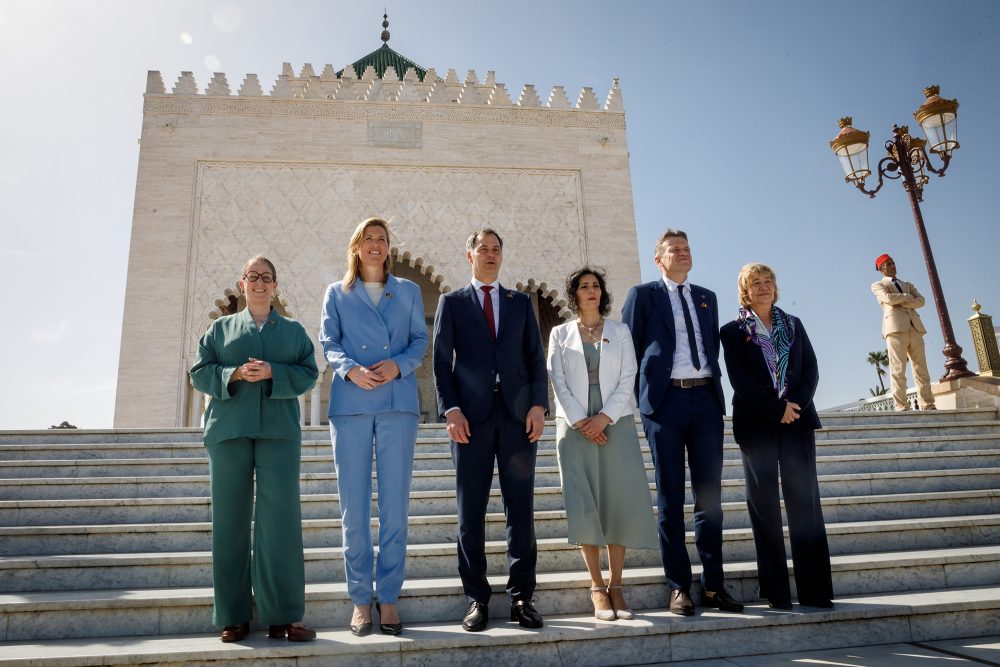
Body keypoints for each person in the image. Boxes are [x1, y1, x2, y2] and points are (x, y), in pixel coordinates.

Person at [189, 255, 319, 643]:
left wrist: (274, 372)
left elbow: (309, 373)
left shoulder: (293, 332)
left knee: (279, 522)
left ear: (275, 286)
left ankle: (284, 616)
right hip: (228, 432)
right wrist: (232, 374)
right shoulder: (220, 328)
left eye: (267, 277)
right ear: (241, 284)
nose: (260, 283)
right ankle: (233, 615)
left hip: (278, 433)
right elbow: (199, 372)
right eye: (253, 277)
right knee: (229, 522)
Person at [621, 229, 743, 616]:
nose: (683, 254)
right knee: (671, 498)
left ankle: (713, 585)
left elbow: (711, 346)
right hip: (664, 403)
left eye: (687, 248)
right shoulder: (643, 296)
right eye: (675, 250)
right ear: (659, 259)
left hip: (706, 399)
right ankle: (678, 587)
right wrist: (638, 402)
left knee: (710, 500)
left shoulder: (707, 297)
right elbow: (630, 349)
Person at [432, 228, 548, 632]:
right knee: (471, 513)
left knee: (521, 511)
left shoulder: (520, 303)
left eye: (496, 249)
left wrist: (538, 404)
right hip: (472, 422)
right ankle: (476, 599)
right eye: (483, 249)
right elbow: (440, 363)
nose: (490, 255)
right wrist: (452, 410)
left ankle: (522, 597)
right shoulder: (452, 303)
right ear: (470, 256)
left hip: (517, 418)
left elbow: (535, 358)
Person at [319, 218, 428, 636]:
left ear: (389, 248)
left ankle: (389, 598)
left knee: (395, 507)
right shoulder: (337, 292)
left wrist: (398, 365)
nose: (376, 245)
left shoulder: (410, 292)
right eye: (369, 239)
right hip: (352, 406)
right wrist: (349, 371)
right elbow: (329, 341)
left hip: (397, 404)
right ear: (356, 247)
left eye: (382, 239)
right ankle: (360, 599)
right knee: (355, 508)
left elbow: (420, 341)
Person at [547, 267, 658, 621]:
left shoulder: (620, 332)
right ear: (574, 293)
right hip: (575, 427)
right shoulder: (559, 333)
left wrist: (604, 417)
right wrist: (582, 419)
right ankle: (596, 587)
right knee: (585, 504)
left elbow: (629, 376)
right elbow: (557, 379)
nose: (591, 291)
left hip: (616, 425)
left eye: (596, 286)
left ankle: (617, 586)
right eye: (584, 286)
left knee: (618, 501)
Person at [720, 263, 833, 609]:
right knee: (764, 505)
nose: (764, 287)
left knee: (805, 504)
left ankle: (814, 590)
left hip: (797, 421)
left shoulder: (794, 326)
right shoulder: (732, 331)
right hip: (757, 426)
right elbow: (740, 380)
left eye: (768, 281)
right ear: (745, 290)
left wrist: (793, 405)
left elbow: (811, 369)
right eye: (756, 283)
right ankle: (777, 591)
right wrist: (775, 408)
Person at [871, 254, 936, 411]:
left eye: (893, 262)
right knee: (898, 370)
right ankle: (901, 406)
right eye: (889, 264)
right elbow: (888, 298)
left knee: (922, 369)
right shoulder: (877, 285)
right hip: (895, 329)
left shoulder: (907, 284)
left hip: (915, 328)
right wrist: (907, 298)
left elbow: (921, 301)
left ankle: (928, 404)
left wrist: (901, 300)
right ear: (881, 269)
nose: (893, 265)